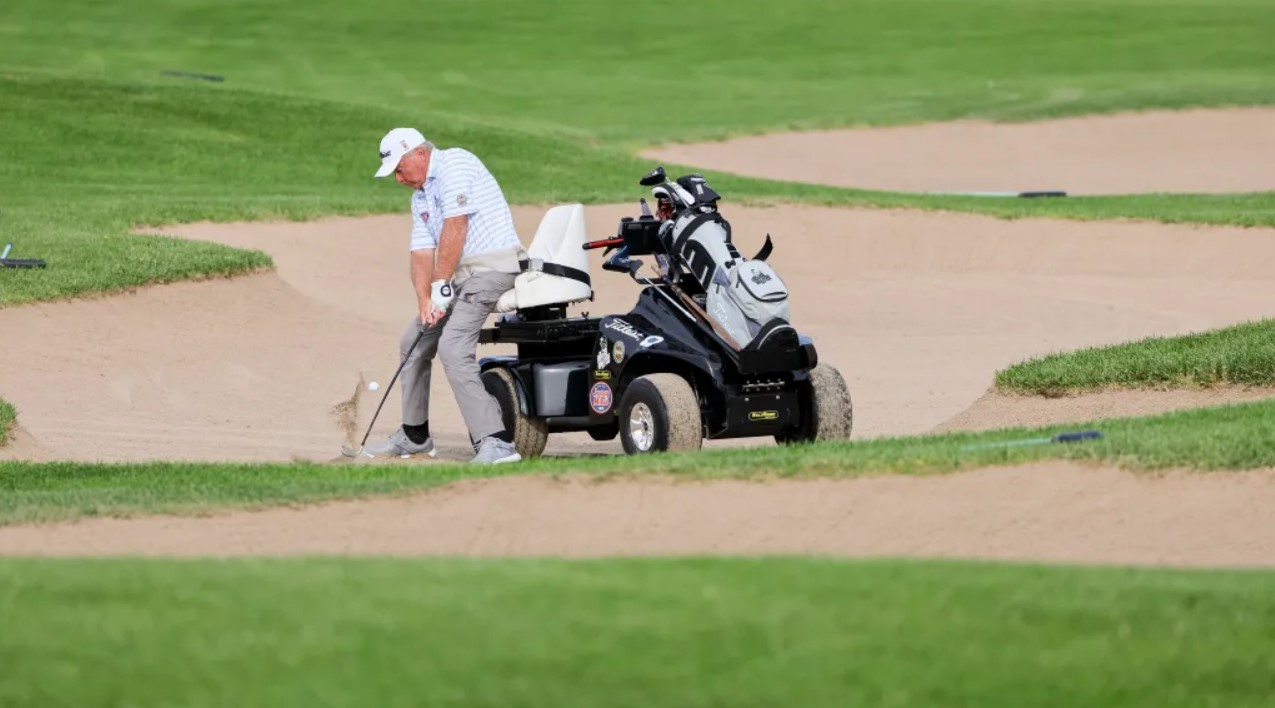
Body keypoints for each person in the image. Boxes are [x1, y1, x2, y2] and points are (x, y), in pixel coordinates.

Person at [362, 127, 524, 464]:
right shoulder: (420, 196)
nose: (398, 178)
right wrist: (425, 300)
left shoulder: (456, 164)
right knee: (413, 341)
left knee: (452, 346)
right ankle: (414, 435)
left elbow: (456, 226)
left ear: (418, 153)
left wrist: (440, 288)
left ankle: (496, 442)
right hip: (458, 280)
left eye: (398, 168)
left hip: (493, 270)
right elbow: (421, 252)